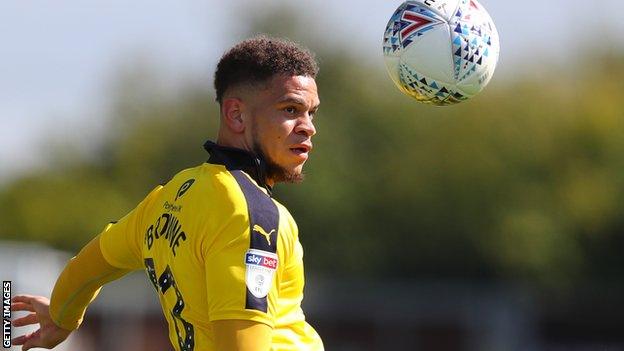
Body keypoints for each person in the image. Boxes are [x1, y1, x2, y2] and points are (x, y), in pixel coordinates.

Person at [11, 35, 324, 351]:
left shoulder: (168, 198)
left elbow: (86, 269)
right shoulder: (252, 216)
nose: (308, 127)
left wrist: (61, 317)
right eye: (290, 109)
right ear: (236, 115)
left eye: (311, 112)